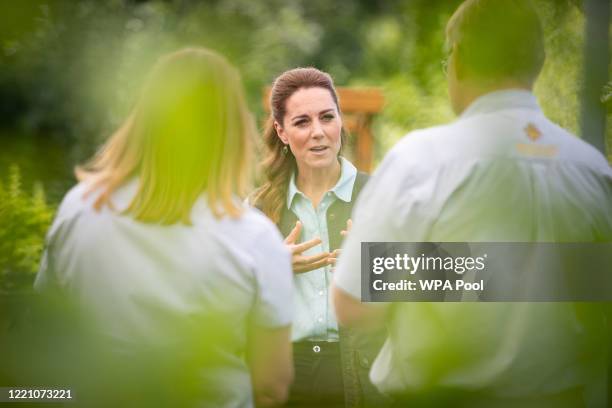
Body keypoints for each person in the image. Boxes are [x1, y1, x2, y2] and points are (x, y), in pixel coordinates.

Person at [333, 0, 612, 407]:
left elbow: (353, 305)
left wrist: (397, 263)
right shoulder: (592, 169)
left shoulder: (421, 161)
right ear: (537, 61)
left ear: (459, 57)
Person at [35, 48, 293, 407]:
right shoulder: (253, 237)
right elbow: (271, 387)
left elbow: (43, 339)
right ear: (232, 129)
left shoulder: (80, 207)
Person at [251, 67, 386, 407]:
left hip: (364, 377)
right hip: (283, 379)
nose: (318, 133)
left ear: (341, 121)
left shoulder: (385, 197)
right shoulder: (254, 210)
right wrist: (271, 267)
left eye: (327, 117)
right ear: (281, 132)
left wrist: (379, 261)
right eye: (302, 122)